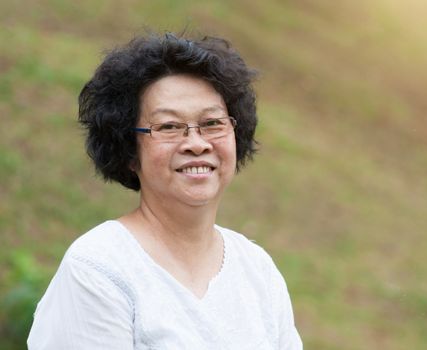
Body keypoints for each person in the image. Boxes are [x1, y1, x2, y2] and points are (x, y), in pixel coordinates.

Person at [27, 32, 302, 349]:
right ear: (130, 151)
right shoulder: (98, 269)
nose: (197, 144)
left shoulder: (257, 270)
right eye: (169, 127)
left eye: (212, 123)